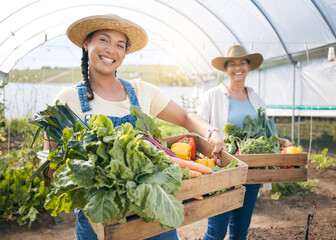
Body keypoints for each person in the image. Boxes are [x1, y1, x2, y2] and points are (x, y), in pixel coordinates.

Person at [45, 14, 225, 240]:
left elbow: (187, 117)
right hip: (101, 217)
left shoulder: (140, 91)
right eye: (104, 40)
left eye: (120, 45)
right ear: (86, 43)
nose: (111, 50)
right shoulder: (67, 99)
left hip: (154, 209)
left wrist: (212, 132)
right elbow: (50, 164)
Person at [197, 44, 292, 240]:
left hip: (251, 171)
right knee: (216, 233)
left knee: (240, 232)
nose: (237, 68)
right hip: (221, 170)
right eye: (232, 64)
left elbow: (264, 135)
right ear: (226, 69)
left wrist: (282, 141)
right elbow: (198, 129)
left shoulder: (257, 100)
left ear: (248, 67)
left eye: (242, 63)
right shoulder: (212, 96)